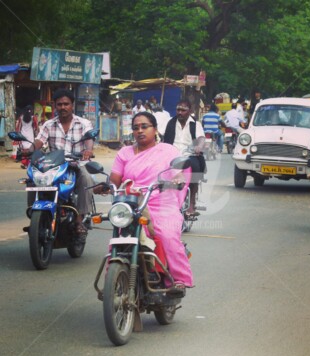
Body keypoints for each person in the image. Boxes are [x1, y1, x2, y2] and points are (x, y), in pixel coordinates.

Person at [109, 111, 193, 292]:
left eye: (144, 126)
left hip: (161, 202)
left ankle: (178, 279)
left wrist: (177, 179)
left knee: (167, 235)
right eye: (136, 127)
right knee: (119, 236)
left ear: (155, 129)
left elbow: (178, 171)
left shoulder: (168, 150)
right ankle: (114, 281)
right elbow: (115, 178)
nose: (140, 131)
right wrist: (107, 186)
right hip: (132, 203)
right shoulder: (124, 152)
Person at [24, 89, 95, 235]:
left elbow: (89, 138)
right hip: (54, 165)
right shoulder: (49, 124)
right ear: (55, 106)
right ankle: (34, 215)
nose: (63, 107)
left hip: (76, 164)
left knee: (86, 178)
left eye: (66, 104)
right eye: (59, 104)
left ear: (72, 105)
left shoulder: (83, 123)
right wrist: (29, 149)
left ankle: (79, 220)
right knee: (32, 179)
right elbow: (39, 141)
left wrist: (88, 150)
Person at [163, 99, 206, 216]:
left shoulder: (196, 124)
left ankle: (192, 203)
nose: (180, 112)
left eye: (183, 110)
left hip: (189, 155)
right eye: (178, 110)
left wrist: (199, 147)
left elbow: (201, 138)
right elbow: (164, 138)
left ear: (190, 111)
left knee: (195, 170)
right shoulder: (170, 123)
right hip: (171, 155)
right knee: (160, 172)